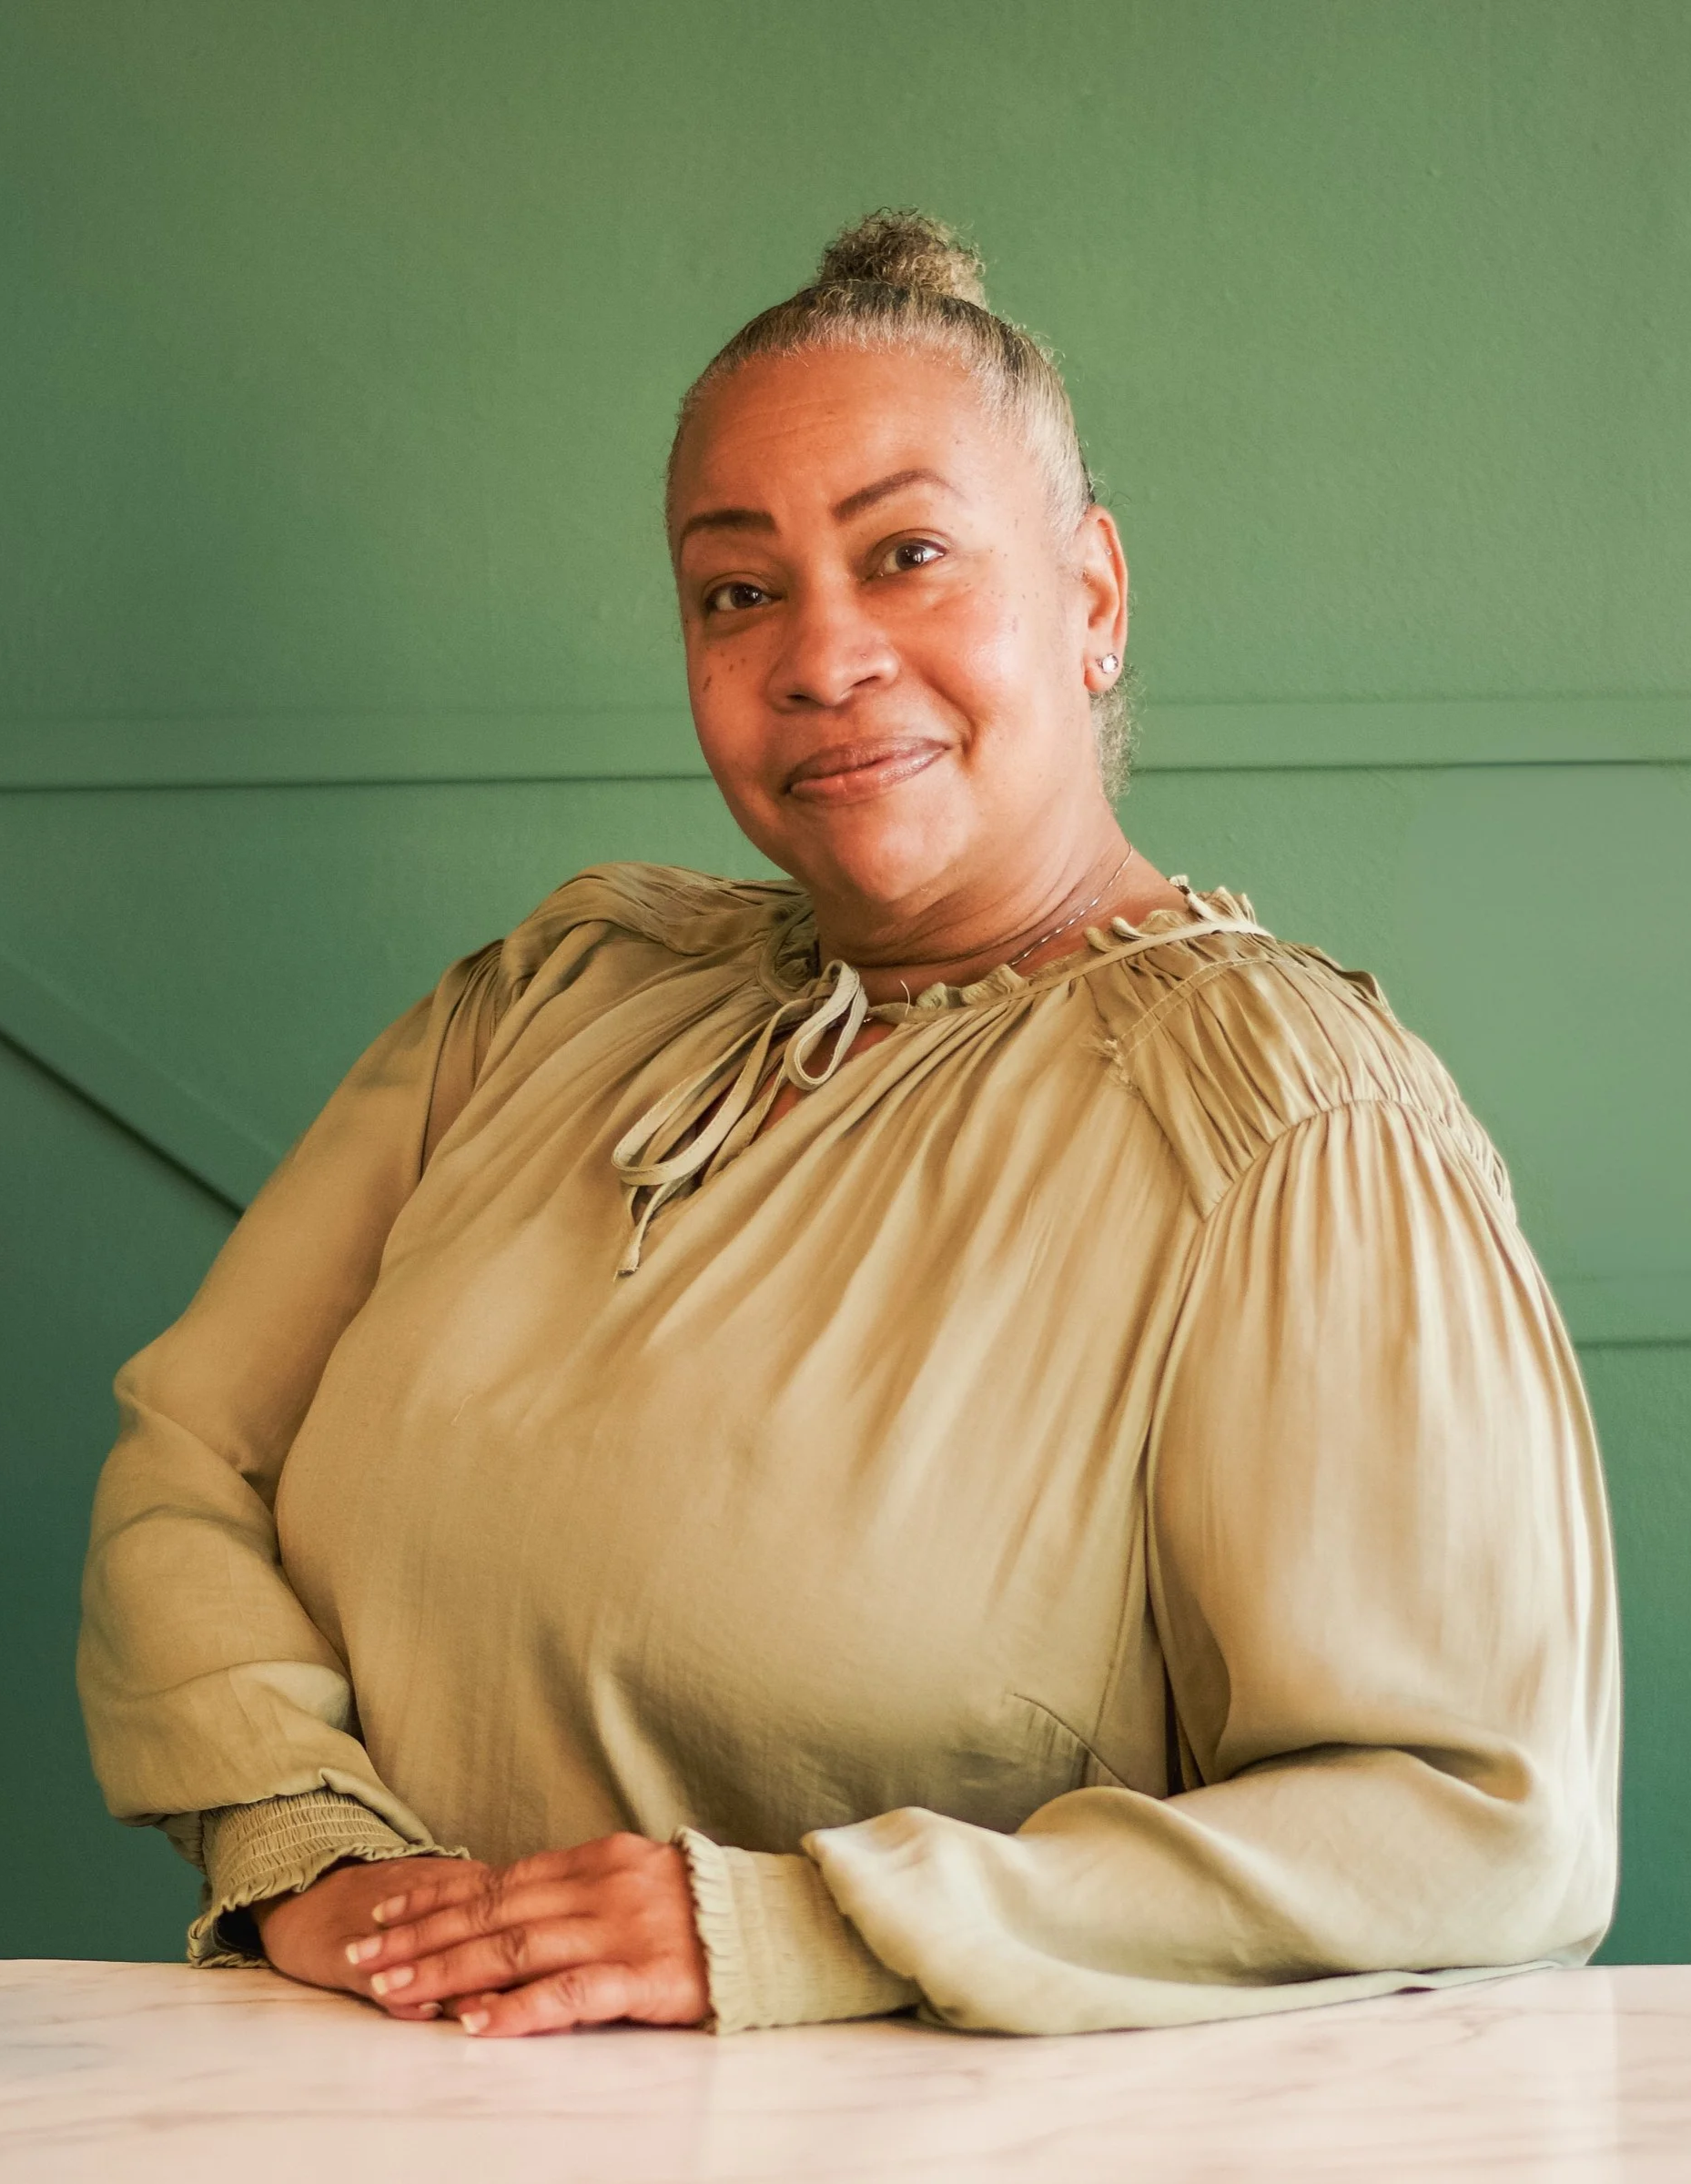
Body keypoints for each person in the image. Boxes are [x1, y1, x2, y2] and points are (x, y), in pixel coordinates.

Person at [79, 211, 1618, 2040]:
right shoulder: (546, 1002)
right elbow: (190, 1457)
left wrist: (799, 1925)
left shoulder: (1291, 1129)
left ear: (1091, 598)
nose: (820, 655)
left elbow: (1473, 1824)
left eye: (906, 555)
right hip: (343, 2118)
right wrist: (309, 1846)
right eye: (737, 590)